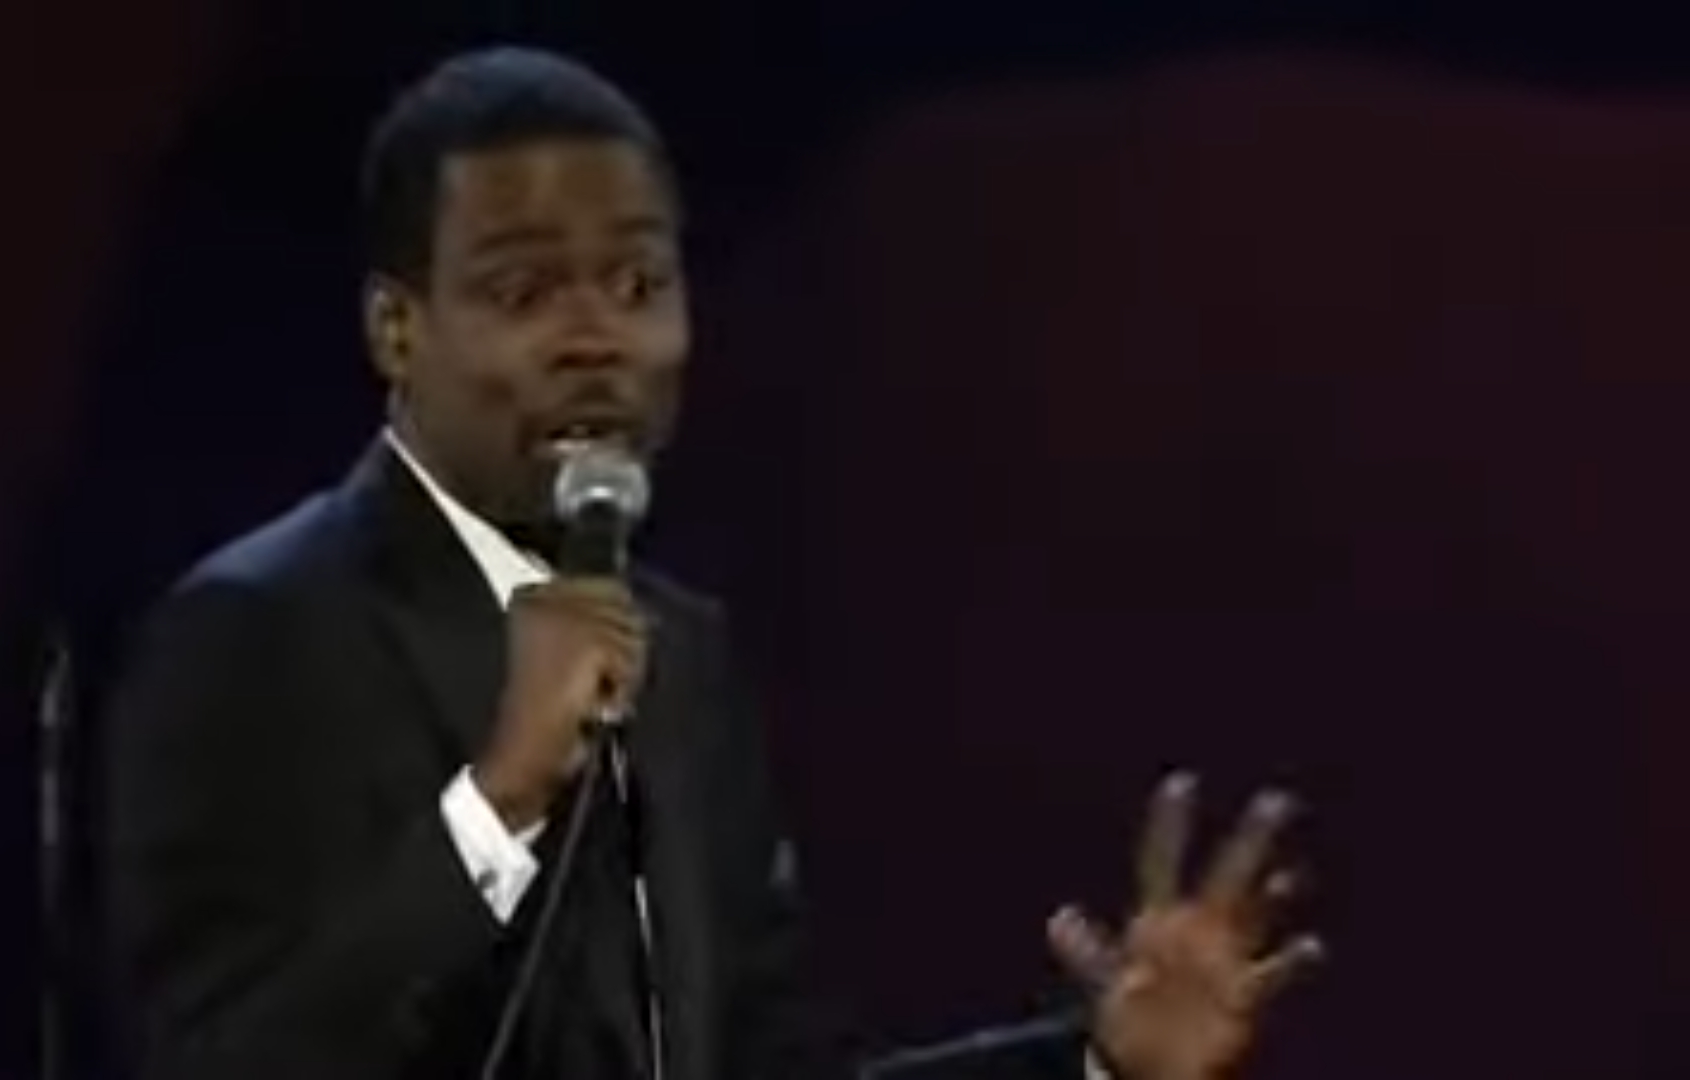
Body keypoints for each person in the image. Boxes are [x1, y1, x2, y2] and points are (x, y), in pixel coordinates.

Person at [98, 46, 1322, 1080]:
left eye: (637, 282)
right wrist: (502, 799)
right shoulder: (255, 631)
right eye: (524, 290)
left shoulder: (679, 659)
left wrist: (1100, 1063)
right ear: (397, 329)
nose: (595, 338)